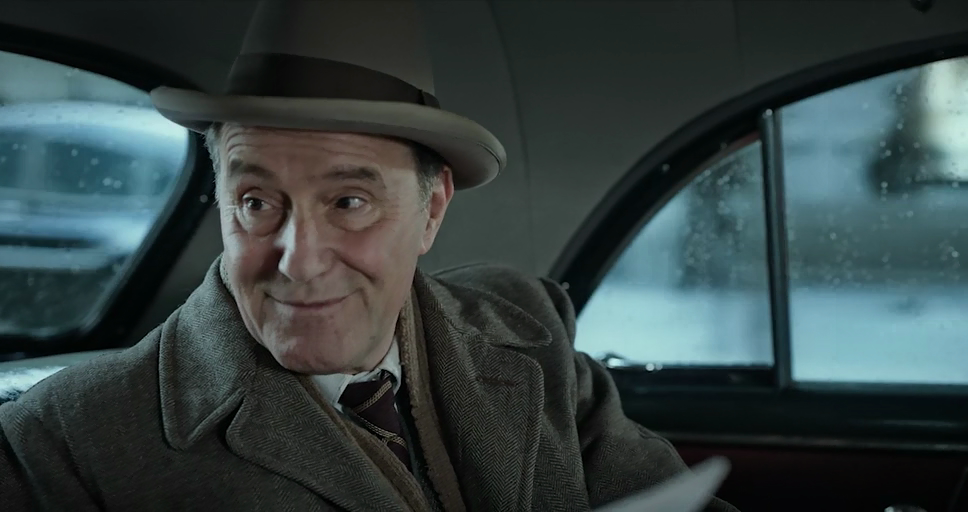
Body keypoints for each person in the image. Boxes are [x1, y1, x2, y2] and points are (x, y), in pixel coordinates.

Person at [0, 1, 739, 511]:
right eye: (256, 202)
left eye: (349, 202)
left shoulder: (527, 326)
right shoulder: (65, 440)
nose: (298, 260)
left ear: (432, 209)